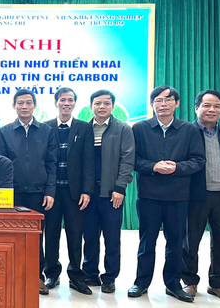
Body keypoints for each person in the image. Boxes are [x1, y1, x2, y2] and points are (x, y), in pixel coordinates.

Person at [128, 86, 205, 303]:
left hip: (178, 197)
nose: (163, 104)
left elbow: (198, 160)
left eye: (168, 100)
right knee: (146, 242)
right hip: (149, 196)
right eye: (158, 100)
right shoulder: (140, 128)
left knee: (176, 243)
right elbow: (133, 160)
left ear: (177, 104)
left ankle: (173, 284)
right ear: (152, 104)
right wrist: (154, 166)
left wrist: (176, 168)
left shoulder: (189, 130)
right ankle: (141, 282)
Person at [182, 90, 220, 301]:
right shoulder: (186, 132)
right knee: (190, 242)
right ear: (196, 108)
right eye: (207, 105)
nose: (212, 109)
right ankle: (189, 282)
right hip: (194, 197)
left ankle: (218, 284)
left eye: (217, 106)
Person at [0, 88, 58, 295]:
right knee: (11, 237)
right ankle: (11, 275)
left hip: (39, 194)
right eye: (20, 103)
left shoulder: (47, 131)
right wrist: (4, 194)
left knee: (35, 238)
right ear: (14, 106)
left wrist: (50, 191)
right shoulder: (4, 131)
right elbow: (1, 164)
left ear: (34, 105)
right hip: (12, 194)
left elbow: (51, 163)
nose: (24, 106)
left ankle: (36, 276)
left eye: (28, 102)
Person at [81, 90, 134, 293]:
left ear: (113, 106)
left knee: (112, 238)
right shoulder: (85, 129)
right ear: (91, 106)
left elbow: (127, 160)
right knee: (90, 236)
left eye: (106, 103)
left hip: (112, 193)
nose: (102, 107)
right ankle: (90, 274)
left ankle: (110, 277)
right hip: (89, 194)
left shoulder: (122, 129)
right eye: (97, 103)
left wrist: (120, 187)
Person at [44, 88, 95, 295]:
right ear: (56, 102)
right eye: (63, 100)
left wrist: (87, 190)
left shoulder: (84, 128)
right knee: (51, 235)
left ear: (75, 103)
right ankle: (51, 273)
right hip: (52, 192)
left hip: (75, 193)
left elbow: (89, 161)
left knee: (75, 235)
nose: (66, 103)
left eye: (71, 100)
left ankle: (76, 276)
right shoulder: (46, 127)